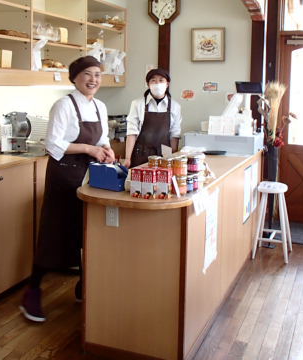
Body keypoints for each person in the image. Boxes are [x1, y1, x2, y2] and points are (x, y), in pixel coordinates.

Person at [20, 56, 115, 323]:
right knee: (55, 232)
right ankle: (32, 292)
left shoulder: (100, 106)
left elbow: (102, 138)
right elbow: (53, 144)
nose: (93, 80)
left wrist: (106, 150)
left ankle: (83, 285)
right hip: (63, 174)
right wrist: (88, 149)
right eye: (87, 74)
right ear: (74, 77)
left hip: (88, 174)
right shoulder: (63, 105)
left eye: (97, 74)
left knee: (86, 229)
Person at [122, 68, 182, 168]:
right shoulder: (137, 104)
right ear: (148, 84)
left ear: (167, 84)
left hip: (165, 156)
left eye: (161, 80)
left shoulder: (175, 106)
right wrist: (127, 158)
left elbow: (174, 135)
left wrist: (173, 157)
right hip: (141, 154)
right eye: (153, 80)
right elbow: (132, 133)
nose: (157, 83)